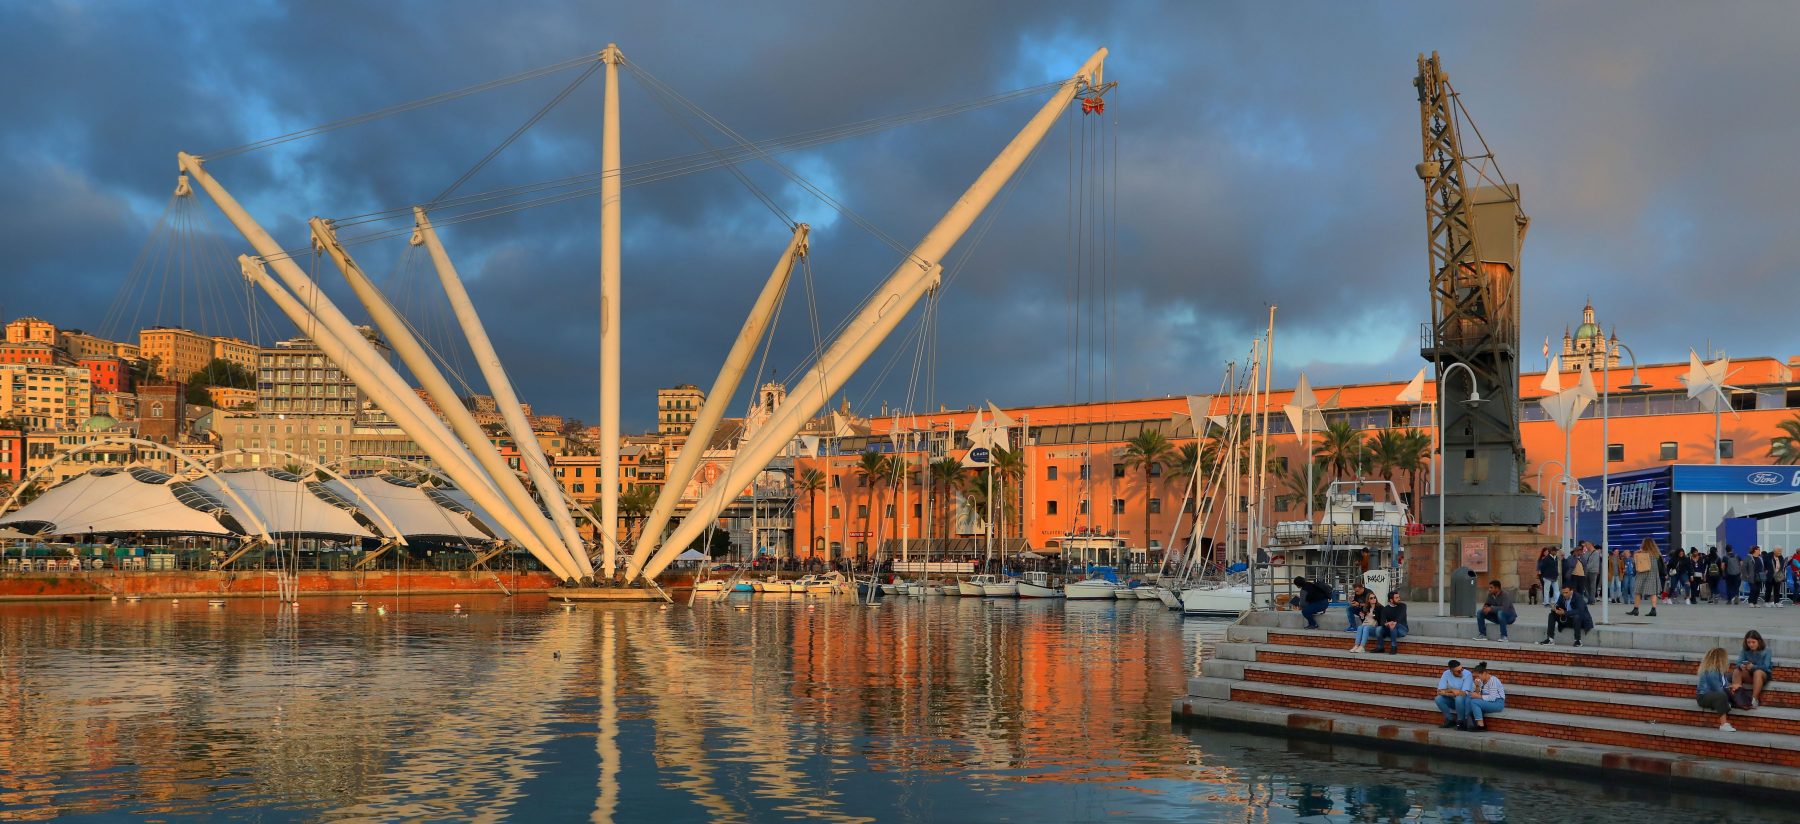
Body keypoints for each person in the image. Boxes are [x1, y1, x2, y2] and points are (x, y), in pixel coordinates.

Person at [1457, 662, 1506, 731]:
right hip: (1487, 702)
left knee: (1474, 702)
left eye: (1478, 676)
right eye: (1474, 677)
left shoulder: (1493, 680)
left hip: (1497, 703)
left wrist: (1479, 696)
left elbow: (1492, 698)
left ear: (1484, 673)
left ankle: (1481, 725)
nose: (1476, 678)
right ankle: (1467, 721)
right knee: (1469, 698)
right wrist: (1477, 687)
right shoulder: (1481, 681)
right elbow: (1476, 693)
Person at [1732, 629, 1774, 708]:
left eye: (1753, 642)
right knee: (1737, 671)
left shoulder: (1767, 650)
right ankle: (1738, 699)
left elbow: (1766, 667)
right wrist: (1741, 666)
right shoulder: (1745, 650)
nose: (1751, 645)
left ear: (1759, 641)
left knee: (1757, 672)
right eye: (1748, 642)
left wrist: (1753, 666)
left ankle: (1754, 700)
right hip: (1749, 674)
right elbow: (1738, 663)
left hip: (1763, 675)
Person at [1698, 647, 1736, 732]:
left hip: (1714, 695)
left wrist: (1731, 689)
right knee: (1721, 695)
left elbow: (1724, 685)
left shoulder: (1720, 671)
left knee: (1729, 692)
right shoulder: (1711, 671)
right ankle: (1723, 724)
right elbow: (1718, 689)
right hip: (1703, 696)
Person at [1433, 659, 1474, 729]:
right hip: (1453, 700)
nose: (1461, 672)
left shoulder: (1467, 674)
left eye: (1462, 669)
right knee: (1438, 699)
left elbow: (1463, 693)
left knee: (1459, 698)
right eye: (1458, 671)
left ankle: (1461, 721)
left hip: (1465, 702)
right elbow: (1439, 691)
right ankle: (1450, 719)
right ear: (1451, 671)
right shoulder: (1446, 673)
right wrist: (1452, 690)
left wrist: (1446, 692)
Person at [1628, 538, 1661, 618]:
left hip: (1642, 573)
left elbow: (1635, 562)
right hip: (1653, 574)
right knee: (1653, 592)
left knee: (1638, 591)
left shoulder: (1641, 553)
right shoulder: (1656, 554)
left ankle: (1636, 609)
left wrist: (1636, 553)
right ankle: (1653, 609)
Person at [1373, 590, 1409, 654]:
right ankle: (1380, 647)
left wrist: (1394, 622)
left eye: (1399, 597)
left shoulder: (1403, 606)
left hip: (1402, 629)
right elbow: (1382, 622)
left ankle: (1394, 647)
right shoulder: (1385, 609)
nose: (1399, 599)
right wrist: (1387, 623)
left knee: (1393, 626)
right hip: (1391, 629)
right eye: (1397, 598)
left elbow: (1401, 616)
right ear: (1391, 600)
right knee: (1378, 629)